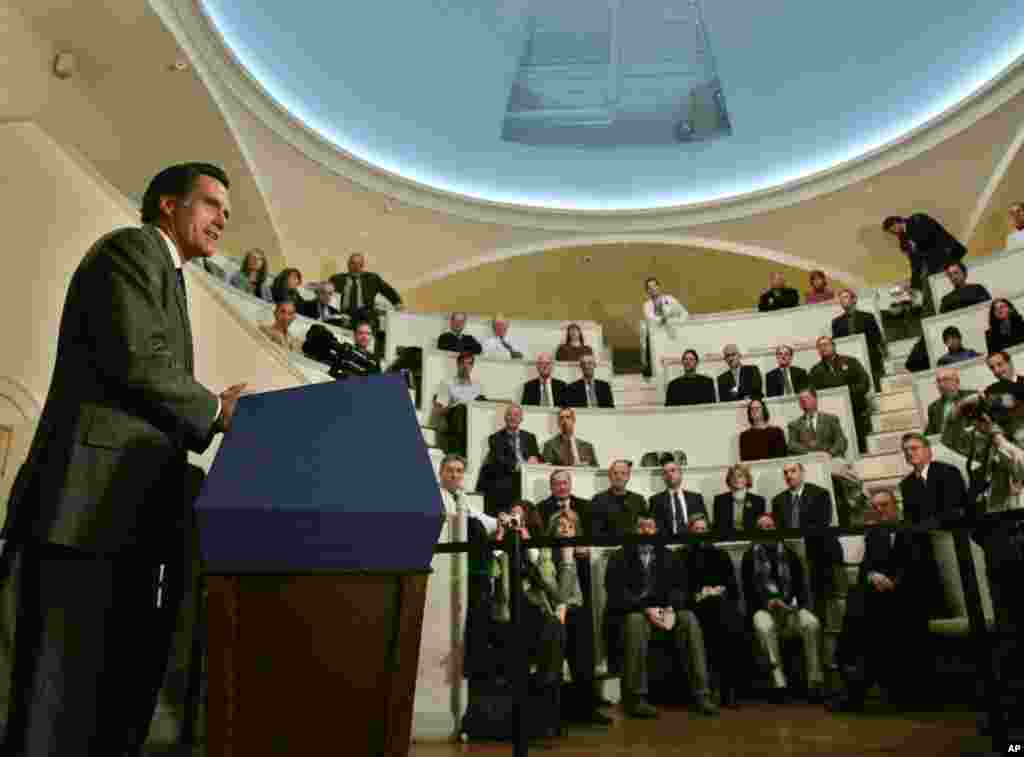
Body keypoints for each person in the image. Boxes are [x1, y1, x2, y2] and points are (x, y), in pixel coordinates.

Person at [0, 163, 248, 755]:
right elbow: (137, 361)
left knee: (92, 693)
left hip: (119, 516)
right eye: (212, 205)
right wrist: (217, 409)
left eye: (226, 215)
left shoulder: (169, 272)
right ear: (168, 204)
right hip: (84, 512)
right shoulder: (132, 250)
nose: (221, 222)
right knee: (56, 691)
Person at [604, 514, 718, 718]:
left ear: (656, 531)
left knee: (689, 619)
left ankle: (701, 693)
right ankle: (636, 698)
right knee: (636, 621)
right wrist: (646, 609)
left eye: (650, 527)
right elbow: (616, 592)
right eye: (641, 527)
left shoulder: (669, 556)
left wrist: (670, 608)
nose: (646, 531)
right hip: (635, 613)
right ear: (634, 531)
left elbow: (680, 589)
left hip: (665, 611)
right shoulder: (619, 557)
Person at [829, 490, 929, 712]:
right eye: (875, 507)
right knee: (860, 603)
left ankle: (854, 689)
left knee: (863, 617)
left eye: (884, 505)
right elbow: (866, 567)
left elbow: (920, 566)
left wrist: (895, 582)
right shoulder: (874, 533)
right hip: (879, 595)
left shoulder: (913, 529)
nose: (880, 510)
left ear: (896, 506)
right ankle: (852, 683)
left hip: (909, 594)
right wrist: (872, 576)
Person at [741, 513, 823, 702]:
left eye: (769, 527)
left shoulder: (790, 553)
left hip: (790, 606)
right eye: (762, 528)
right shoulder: (749, 556)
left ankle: (815, 680)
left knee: (812, 624)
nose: (766, 531)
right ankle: (779, 683)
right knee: (765, 627)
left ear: (776, 528)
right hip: (763, 607)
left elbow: (801, 588)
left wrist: (790, 605)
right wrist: (767, 603)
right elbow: (748, 592)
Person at [491, 503, 565, 699]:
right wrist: (499, 535)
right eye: (512, 516)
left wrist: (527, 540)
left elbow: (549, 581)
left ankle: (544, 695)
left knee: (552, 634)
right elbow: (492, 574)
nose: (515, 520)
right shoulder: (501, 545)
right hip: (507, 611)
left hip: (536, 608)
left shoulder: (541, 547)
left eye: (520, 517)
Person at [545, 512, 611, 725]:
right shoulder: (547, 555)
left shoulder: (581, 555)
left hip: (578, 611)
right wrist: (567, 560)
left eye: (570, 527)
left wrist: (577, 558)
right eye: (561, 526)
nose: (565, 530)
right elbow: (558, 595)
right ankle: (556, 712)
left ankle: (587, 708)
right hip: (554, 612)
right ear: (552, 531)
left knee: (585, 658)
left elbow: (588, 592)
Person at [683, 513, 747, 707]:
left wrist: (719, 590)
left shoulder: (721, 554)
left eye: (704, 530)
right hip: (695, 606)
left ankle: (728, 689)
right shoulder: (682, 555)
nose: (701, 533)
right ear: (690, 532)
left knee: (728, 621)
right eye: (697, 530)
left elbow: (732, 587)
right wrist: (700, 593)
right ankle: (717, 689)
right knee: (718, 621)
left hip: (721, 605)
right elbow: (681, 587)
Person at [771, 461, 845, 617]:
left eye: (793, 471)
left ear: (802, 473)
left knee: (823, 599)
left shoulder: (820, 494)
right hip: (791, 555)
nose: (789, 475)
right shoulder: (777, 501)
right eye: (785, 472)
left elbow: (822, 523)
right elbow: (779, 531)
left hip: (818, 553)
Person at [808, 335, 872, 453]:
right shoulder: (815, 370)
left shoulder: (850, 361)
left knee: (862, 447)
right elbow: (813, 394)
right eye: (820, 346)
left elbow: (865, 383)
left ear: (833, 346)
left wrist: (847, 394)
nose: (823, 348)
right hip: (832, 415)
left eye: (826, 345)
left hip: (855, 410)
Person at [476, 403, 541, 515]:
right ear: (505, 418)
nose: (512, 418)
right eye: (509, 415)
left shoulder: (530, 437)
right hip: (507, 477)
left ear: (521, 419)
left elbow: (536, 455)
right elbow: (500, 460)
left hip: (526, 478)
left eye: (516, 415)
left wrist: (535, 459)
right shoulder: (495, 438)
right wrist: (521, 466)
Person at [328, 252, 403, 337]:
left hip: (366, 315)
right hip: (344, 315)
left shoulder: (372, 279)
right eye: (353, 263)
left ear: (362, 266)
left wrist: (397, 303)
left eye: (359, 264)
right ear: (348, 265)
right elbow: (326, 291)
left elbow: (388, 291)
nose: (356, 267)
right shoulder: (337, 279)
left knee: (369, 320)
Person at [831, 289, 886, 391]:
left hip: (871, 360)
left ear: (854, 299)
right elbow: (838, 345)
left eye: (846, 297)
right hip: (850, 364)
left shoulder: (868, 317)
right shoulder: (836, 322)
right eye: (841, 298)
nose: (843, 300)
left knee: (878, 390)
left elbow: (877, 339)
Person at [438, 454, 498, 541]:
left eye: (459, 471)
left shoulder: (461, 496)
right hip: (444, 542)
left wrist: (499, 521)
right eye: (449, 471)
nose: (454, 475)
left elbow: (478, 516)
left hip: (462, 541)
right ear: (440, 473)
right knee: (473, 525)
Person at [434, 352, 483, 456]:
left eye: (469, 364)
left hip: (472, 418)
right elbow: (438, 411)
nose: (465, 367)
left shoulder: (477, 385)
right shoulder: (447, 383)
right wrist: (452, 403)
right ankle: (459, 452)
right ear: (458, 365)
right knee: (461, 408)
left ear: (472, 366)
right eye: (463, 363)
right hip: (454, 416)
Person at [641, 277, 688, 375]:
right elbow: (651, 319)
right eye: (649, 287)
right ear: (647, 291)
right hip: (657, 337)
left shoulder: (670, 299)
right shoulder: (647, 305)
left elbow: (684, 313)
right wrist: (664, 318)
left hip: (673, 334)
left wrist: (676, 322)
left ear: (659, 287)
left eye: (654, 286)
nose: (653, 289)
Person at [590, 460, 648, 539]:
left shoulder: (638, 500)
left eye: (623, 473)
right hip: (608, 548)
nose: (619, 477)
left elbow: (645, 529)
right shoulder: (598, 500)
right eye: (615, 473)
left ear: (628, 477)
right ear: (609, 476)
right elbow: (594, 531)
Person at [649, 460, 707, 537]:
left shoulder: (696, 498)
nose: (669, 474)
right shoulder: (655, 500)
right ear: (663, 478)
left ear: (680, 473)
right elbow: (653, 529)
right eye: (665, 473)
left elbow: (705, 525)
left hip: (693, 543)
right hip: (667, 543)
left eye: (673, 470)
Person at [786, 387, 848, 458]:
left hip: (830, 460)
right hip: (808, 462)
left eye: (807, 398)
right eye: (800, 400)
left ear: (815, 399)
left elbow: (841, 441)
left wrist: (830, 454)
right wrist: (809, 454)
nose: (803, 401)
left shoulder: (831, 419)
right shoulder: (794, 425)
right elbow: (791, 445)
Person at [712, 463, 766, 534]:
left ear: (747, 479)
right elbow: (717, 527)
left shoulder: (758, 501)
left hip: (751, 540)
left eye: (740, 476)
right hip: (727, 541)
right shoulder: (719, 500)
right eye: (733, 476)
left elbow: (761, 528)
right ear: (729, 480)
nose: (736, 479)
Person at [924, 368, 972, 443]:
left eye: (945, 380)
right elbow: (929, 434)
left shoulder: (971, 397)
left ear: (957, 382)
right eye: (938, 381)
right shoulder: (934, 407)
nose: (941, 384)